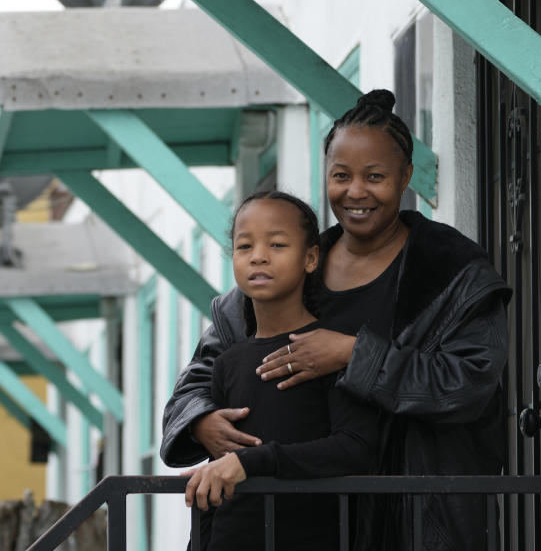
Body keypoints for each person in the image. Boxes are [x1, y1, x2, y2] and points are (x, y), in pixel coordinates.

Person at [164, 89, 511, 550]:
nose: (356, 192)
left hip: (416, 523)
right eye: (341, 175)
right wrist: (202, 422)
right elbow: (196, 383)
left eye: (375, 176)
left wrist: (354, 355)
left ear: (406, 176)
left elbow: (470, 384)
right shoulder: (282, 273)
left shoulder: (453, 272)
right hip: (298, 528)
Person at [183, 191, 379, 550]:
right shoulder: (227, 363)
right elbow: (217, 478)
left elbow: (356, 448)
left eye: (276, 244)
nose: (258, 256)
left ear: (310, 258)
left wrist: (255, 462)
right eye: (244, 247)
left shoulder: (329, 350)